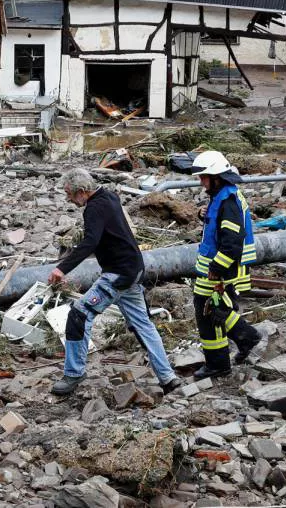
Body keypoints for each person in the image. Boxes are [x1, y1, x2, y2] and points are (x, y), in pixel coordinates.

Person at [47, 169, 179, 397]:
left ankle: (74, 373)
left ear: (81, 192)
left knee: (79, 315)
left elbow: (90, 242)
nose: (68, 198)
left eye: (69, 194)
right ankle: (168, 378)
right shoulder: (109, 195)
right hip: (134, 270)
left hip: (117, 275)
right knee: (143, 325)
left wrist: (62, 268)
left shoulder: (94, 208)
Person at [190, 150, 263, 379]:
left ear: (217, 176)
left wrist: (217, 268)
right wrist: (204, 215)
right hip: (216, 268)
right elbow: (218, 226)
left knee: (213, 311)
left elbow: (232, 243)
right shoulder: (222, 195)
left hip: (223, 270)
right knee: (211, 310)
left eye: (204, 177)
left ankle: (244, 342)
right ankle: (221, 360)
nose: (201, 182)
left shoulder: (227, 201)